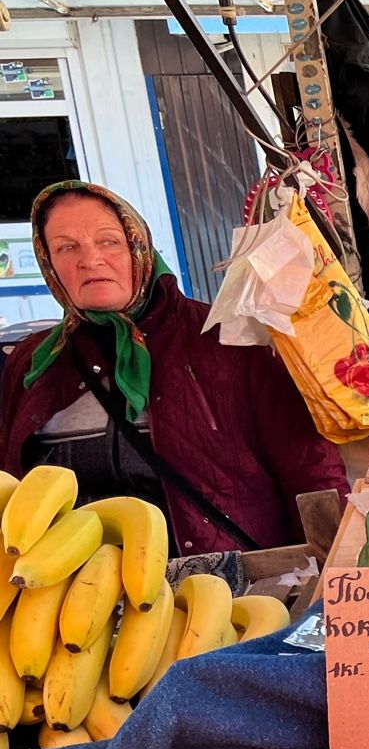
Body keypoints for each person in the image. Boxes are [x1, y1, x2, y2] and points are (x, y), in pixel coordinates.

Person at [0, 182, 346, 554]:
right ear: (49, 262)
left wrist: (338, 571)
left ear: (139, 245)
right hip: (73, 594)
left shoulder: (227, 337)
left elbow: (310, 470)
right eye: (67, 247)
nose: (90, 259)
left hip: (232, 594)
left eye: (109, 241)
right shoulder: (34, 361)